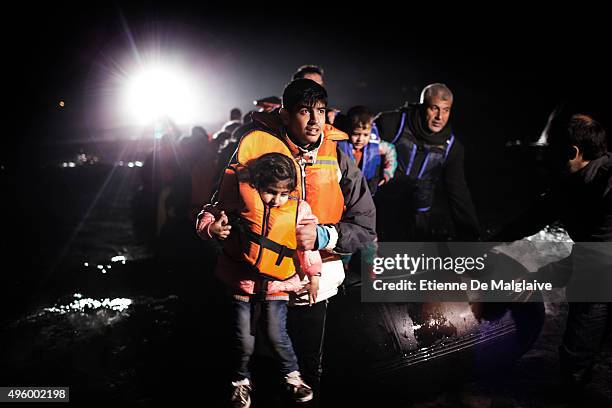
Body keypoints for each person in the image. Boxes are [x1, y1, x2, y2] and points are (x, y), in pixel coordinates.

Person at [207, 78, 377, 406]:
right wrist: (218, 226)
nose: (315, 121)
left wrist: (325, 236)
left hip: (316, 283)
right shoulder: (255, 150)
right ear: (285, 115)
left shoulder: (340, 159)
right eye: (304, 112)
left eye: (321, 111)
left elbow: (366, 226)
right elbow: (222, 202)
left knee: (307, 369)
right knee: (258, 362)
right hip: (261, 282)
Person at [495, 111, 612, 399]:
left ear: (573, 152)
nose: (543, 157)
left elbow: (595, 266)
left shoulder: (607, 189)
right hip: (598, 262)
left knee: (582, 328)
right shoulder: (573, 180)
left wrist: (538, 277)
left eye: (550, 150)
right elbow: (534, 217)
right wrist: (490, 243)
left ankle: (574, 387)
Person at [197, 152, 322, 407]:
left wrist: (314, 275)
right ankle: (240, 381)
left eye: (283, 194)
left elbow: (307, 245)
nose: (277, 199)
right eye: (270, 192)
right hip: (242, 282)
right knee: (243, 338)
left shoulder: (299, 210)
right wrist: (211, 229)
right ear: (257, 185)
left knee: (277, 334)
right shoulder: (239, 200)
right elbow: (208, 213)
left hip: (278, 282)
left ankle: (293, 377)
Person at [374, 83, 480, 241]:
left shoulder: (452, 147)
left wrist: (472, 236)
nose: (440, 117)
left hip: (418, 219)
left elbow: (458, 192)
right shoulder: (393, 123)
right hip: (382, 209)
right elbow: (360, 148)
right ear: (422, 106)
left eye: (446, 110)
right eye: (434, 108)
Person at [336, 105, 397, 195]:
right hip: (343, 190)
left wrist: (387, 173)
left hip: (366, 191)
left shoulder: (377, 145)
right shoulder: (338, 146)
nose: (360, 139)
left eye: (365, 135)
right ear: (348, 130)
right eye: (356, 134)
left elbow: (390, 150)